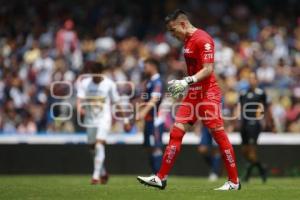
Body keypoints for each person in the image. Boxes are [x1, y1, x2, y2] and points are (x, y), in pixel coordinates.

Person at [137, 9, 240, 190]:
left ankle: (234, 181)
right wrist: (186, 84)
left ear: (183, 24)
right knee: (176, 133)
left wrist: (187, 80)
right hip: (193, 93)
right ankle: (161, 177)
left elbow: (208, 69)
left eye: (173, 30)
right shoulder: (187, 41)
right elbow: (195, 70)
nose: (172, 35)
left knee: (219, 137)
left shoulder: (203, 39)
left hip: (208, 93)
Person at [76, 61, 129, 185]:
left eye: (96, 73)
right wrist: (80, 108)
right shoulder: (85, 83)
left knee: (99, 144)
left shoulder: (109, 84)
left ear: (101, 72)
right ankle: (103, 172)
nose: (94, 75)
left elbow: (116, 102)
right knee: (92, 147)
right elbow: (79, 99)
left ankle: (95, 176)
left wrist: (125, 120)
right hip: (90, 119)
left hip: (104, 119)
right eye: (92, 73)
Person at [239, 72, 274, 183]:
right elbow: (240, 108)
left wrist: (269, 122)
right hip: (244, 124)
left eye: (253, 78)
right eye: (249, 78)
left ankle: (248, 175)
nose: (251, 80)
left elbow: (267, 108)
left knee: (252, 150)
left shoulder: (261, 93)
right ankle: (262, 168)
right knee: (244, 150)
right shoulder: (243, 93)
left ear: (256, 81)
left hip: (254, 124)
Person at [136, 58, 164, 174]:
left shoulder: (157, 81)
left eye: (146, 66)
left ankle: (159, 175)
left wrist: (143, 112)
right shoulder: (148, 81)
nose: (144, 69)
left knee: (156, 147)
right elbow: (144, 99)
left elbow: (154, 99)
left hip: (155, 119)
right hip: (148, 119)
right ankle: (154, 173)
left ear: (153, 66)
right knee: (148, 147)